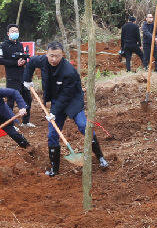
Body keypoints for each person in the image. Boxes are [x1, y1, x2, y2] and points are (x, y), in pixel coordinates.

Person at [23, 42, 109, 176]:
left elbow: (65, 96)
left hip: (72, 100)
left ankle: (100, 157)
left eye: (57, 56)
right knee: (52, 134)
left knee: (83, 126)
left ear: (62, 55)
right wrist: (27, 80)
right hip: (57, 100)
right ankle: (54, 169)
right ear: (46, 54)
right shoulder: (42, 61)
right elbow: (31, 63)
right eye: (51, 56)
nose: (53, 59)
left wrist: (53, 112)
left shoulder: (69, 71)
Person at [0, 24, 34, 127]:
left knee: (27, 98)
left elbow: (23, 57)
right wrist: (14, 63)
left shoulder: (20, 45)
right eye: (12, 31)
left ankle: (25, 122)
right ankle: (10, 124)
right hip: (11, 77)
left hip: (22, 76)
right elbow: (0, 60)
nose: (15, 33)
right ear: (8, 33)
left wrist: (23, 61)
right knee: (11, 101)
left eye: (16, 31)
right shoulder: (3, 46)